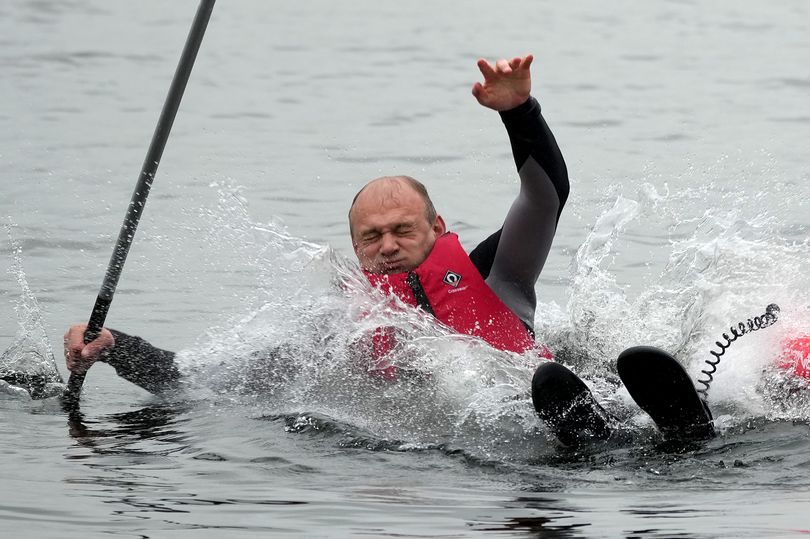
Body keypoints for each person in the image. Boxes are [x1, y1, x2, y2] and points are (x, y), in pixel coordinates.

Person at [65, 53, 603, 443]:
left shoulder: (494, 271)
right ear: (354, 244)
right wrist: (114, 346)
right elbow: (198, 382)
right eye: (371, 236)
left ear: (437, 226)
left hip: (533, 403)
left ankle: (624, 425)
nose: (388, 246)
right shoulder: (340, 322)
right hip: (454, 444)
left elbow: (547, 195)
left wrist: (520, 112)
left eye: (403, 230)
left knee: (577, 398)